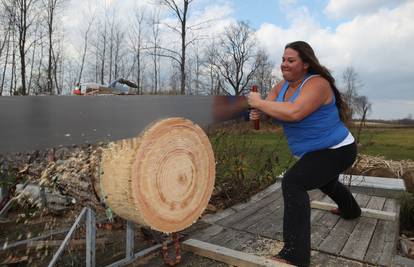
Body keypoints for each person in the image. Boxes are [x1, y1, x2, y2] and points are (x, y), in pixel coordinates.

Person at [247, 41, 361, 267]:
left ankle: (294, 255)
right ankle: (351, 210)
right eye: (283, 60)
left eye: (291, 60)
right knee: (326, 182)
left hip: (338, 149)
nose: (284, 64)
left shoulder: (317, 84)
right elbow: (270, 109)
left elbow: (295, 112)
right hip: (316, 152)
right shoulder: (280, 87)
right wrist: (258, 112)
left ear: (306, 64)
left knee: (294, 182)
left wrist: (260, 103)